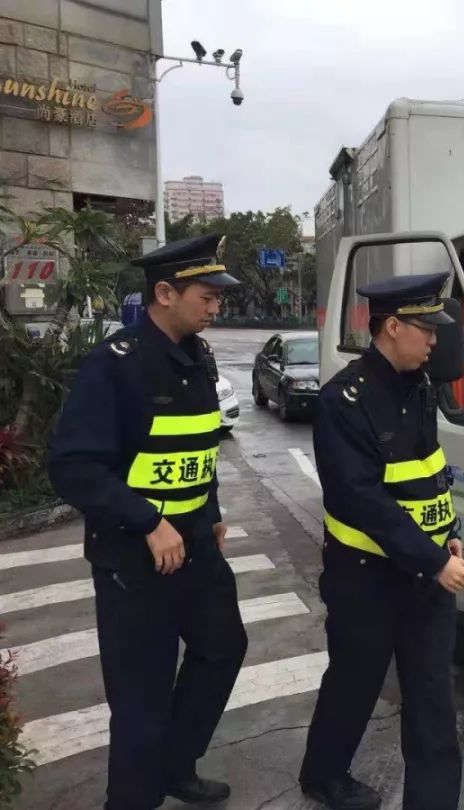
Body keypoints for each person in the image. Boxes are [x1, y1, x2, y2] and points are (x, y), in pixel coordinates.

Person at [47, 234, 248, 809]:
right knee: (141, 696)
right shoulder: (115, 367)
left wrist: (207, 515)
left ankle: (175, 763)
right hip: (133, 556)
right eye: (207, 296)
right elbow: (74, 466)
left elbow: (196, 449)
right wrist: (146, 521)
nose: (217, 306)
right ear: (164, 293)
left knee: (223, 647)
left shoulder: (198, 356)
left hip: (194, 545)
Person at [299, 272, 464, 810]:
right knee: (353, 685)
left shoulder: (420, 389)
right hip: (365, 579)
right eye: (426, 329)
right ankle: (323, 773)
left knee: (432, 702)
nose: (435, 340)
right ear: (392, 326)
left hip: (425, 580)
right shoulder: (342, 402)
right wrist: (431, 558)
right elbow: (361, 500)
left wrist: (446, 537)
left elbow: (427, 474)